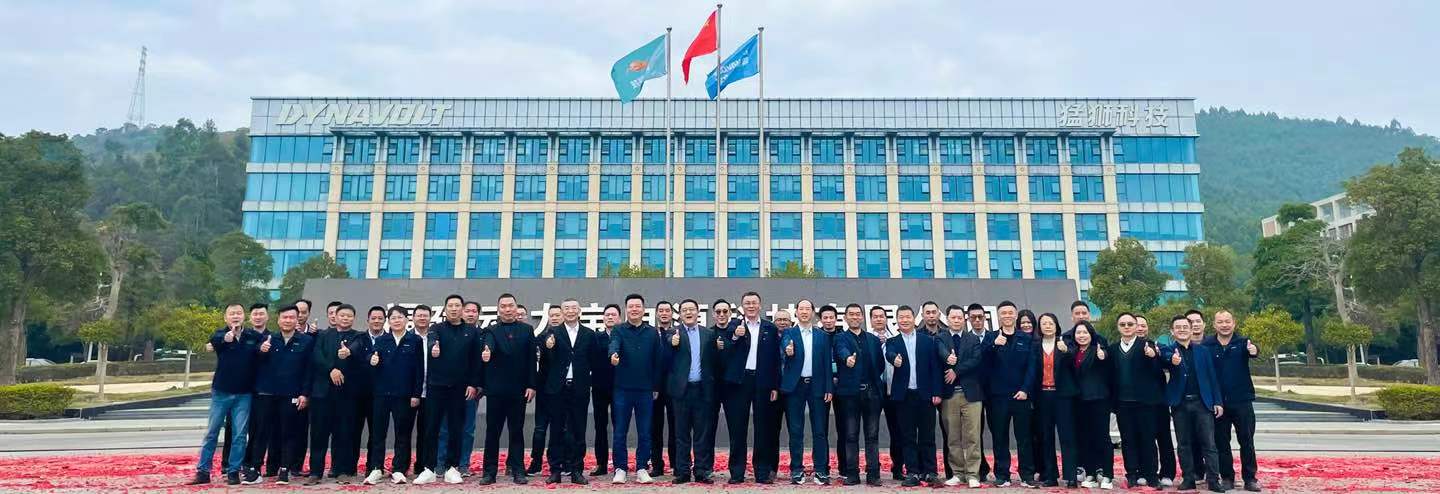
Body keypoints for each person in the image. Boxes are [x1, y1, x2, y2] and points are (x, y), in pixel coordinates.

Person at [189, 303, 260, 486]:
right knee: (212, 432)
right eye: (232, 314)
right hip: (221, 392)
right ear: (226, 317)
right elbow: (214, 343)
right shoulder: (220, 335)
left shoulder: (252, 336)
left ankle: (233, 471)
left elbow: (264, 349)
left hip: (244, 393)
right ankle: (203, 471)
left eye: (238, 313)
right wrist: (226, 338)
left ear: (244, 316)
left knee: (239, 435)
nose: (235, 316)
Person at [414, 295, 481, 485]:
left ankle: (452, 468)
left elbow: (475, 360)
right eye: (450, 305)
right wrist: (433, 347)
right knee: (432, 427)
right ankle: (429, 468)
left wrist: (472, 384)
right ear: (445, 309)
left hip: (460, 388)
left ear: (462, 309)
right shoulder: (436, 328)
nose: (453, 308)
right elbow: (432, 341)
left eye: (457, 305)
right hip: (436, 386)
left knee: (456, 428)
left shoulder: (471, 331)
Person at [305, 304, 370, 485]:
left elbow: (357, 349)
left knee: (344, 433)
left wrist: (348, 352)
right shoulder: (323, 335)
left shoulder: (359, 336)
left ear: (354, 318)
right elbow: (317, 356)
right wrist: (331, 370)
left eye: (349, 316)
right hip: (322, 393)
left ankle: (341, 470)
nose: (345, 318)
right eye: (342, 315)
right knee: (319, 433)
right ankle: (315, 472)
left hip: (346, 394)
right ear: (335, 316)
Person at [247, 304, 312, 485]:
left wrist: (305, 394)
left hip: (291, 394)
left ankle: (284, 469)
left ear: (297, 320)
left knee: (288, 432)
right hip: (266, 393)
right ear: (278, 320)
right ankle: (255, 470)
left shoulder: (306, 341)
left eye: (291, 317)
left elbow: (309, 370)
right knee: (261, 432)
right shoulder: (268, 339)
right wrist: (261, 351)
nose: (288, 320)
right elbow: (254, 362)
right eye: (284, 317)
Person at [535, 299, 598, 485]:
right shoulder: (552, 333)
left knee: (578, 430)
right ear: (562, 312)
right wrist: (548, 347)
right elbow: (545, 361)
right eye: (566, 308)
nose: (570, 311)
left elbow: (594, 361)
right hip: (557, 389)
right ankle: (555, 470)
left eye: (573, 308)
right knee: (556, 430)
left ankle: (576, 470)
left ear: (579, 311)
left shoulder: (589, 334)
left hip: (579, 389)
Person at [721, 292, 781, 484]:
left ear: (760, 305)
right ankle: (737, 472)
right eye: (747, 303)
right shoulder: (733, 325)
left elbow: (775, 359)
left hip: (763, 381)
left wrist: (775, 385)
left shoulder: (770, 328)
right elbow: (725, 351)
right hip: (739, 382)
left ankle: (762, 472)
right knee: (737, 428)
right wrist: (735, 337)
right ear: (742, 306)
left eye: (754, 303)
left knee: (763, 428)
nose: (751, 306)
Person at [1161, 316, 1226, 493]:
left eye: (1185, 327)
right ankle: (1188, 478)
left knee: (1209, 444)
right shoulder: (1168, 350)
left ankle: (1213, 480)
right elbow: (1163, 358)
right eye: (1178, 327)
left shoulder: (1203, 351)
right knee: (1183, 444)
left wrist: (1217, 401)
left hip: (1202, 403)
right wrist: (1171, 360)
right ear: (1172, 331)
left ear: (1191, 330)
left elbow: (1212, 377)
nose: (1182, 330)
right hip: (1180, 404)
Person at [477, 293, 537, 485]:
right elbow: (488, 345)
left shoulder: (527, 330)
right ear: (498, 309)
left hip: (518, 390)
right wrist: (487, 351)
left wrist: (532, 385)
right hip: (496, 390)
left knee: (516, 432)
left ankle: (518, 471)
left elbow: (531, 360)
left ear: (516, 307)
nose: (507, 309)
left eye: (510, 305)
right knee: (492, 432)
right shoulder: (490, 330)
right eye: (503, 306)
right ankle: (489, 472)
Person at [363, 306, 424, 485]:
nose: (396, 320)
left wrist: (416, 394)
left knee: (402, 434)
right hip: (381, 394)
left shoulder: (414, 340)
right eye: (393, 318)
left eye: (400, 317)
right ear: (388, 321)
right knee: (378, 433)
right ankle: (376, 468)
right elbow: (370, 358)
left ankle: (399, 469)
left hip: (404, 395)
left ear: (406, 319)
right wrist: (371, 360)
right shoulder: (382, 340)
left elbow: (419, 370)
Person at [608, 293, 665, 484]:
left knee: (645, 431)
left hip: (645, 390)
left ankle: (642, 467)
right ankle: (620, 468)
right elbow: (614, 344)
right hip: (622, 389)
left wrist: (656, 386)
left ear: (643, 309)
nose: (634, 309)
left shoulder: (652, 332)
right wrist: (613, 355)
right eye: (631, 306)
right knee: (620, 431)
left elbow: (657, 360)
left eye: (637, 306)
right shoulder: (618, 329)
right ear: (626, 309)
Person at [884, 305, 943, 487]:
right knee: (907, 436)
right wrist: (894, 359)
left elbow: (935, 368)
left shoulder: (927, 341)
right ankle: (913, 472)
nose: (904, 320)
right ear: (897, 320)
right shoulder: (893, 341)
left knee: (927, 435)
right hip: (904, 396)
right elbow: (889, 354)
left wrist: (937, 392)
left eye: (907, 317)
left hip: (925, 395)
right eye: (901, 317)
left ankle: (930, 471)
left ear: (914, 319)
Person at [665, 299, 721, 484]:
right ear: (680, 314)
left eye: (691, 309)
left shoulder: (708, 334)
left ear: (698, 312)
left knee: (702, 433)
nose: (688, 313)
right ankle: (682, 471)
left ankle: (701, 471)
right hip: (681, 391)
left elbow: (714, 362)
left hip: (702, 390)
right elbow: (665, 359)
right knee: (681, 433)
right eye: (684, 310)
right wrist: (671, 344)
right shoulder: (672, 333)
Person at [1204, 310, 1261, 492]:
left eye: (1227, 321)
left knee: (1247, 441)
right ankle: (1227, 477)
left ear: (1234, 323)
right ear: (1214, 324)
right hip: (1219, 403)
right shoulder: (1207, 345)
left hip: (1242, 400)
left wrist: (1254, 351)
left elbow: (1254, 351)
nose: (1224, 325)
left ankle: (1250, 478)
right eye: (1220, 322)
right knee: (1221, 442)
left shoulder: (1243, 342)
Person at [982, 300, 1037, 487]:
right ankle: (1002, 474)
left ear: (1015, 315)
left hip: (1021, 396)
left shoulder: (1026, 338)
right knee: (1000, 437)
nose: (1007, 316)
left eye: (1010, 312)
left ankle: (1027, 475)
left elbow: (1032, 367)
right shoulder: (990, 337)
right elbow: (983, 364)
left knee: (1024, 437)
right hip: (997, 397)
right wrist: (993, 346)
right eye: (1003, 313)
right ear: (998, 316)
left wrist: (1025, 389)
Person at [779, 299, 834, 485]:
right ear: (796, 312)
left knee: (820, 430)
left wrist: (829, 387)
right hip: (795, 387)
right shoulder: (789, 333)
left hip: (817, 386)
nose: (804, 312)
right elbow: (784, 346)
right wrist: (787, 350)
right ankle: (796, 469)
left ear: (812, 312)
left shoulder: (822, 336)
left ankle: (821, 470)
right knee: (796, 430)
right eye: (801, 309)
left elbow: (827, 363)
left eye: (807, 309)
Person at [1109, 312, 1165, 490]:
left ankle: (1151, 475)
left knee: (1148, 439)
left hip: (1145, 402)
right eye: (1123, 324)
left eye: (1130, 324)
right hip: (1123, 402)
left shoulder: (1147, 346)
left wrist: (1153, 357)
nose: (1126, 327)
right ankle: (1132, 474)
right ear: (1118, 327)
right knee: (1128, 439)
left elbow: (1157, 373)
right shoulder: (1113, 349)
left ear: (1136, 326)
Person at [834, 303, 885, 486]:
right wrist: (847, 358)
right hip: (850, 395)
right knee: (850, 435)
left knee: (872, 435)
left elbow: (880, 365)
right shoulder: (840, 338)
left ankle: (873, 474)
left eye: (858, 314)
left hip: (872, 393)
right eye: (851, 314)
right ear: (845, 317)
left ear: (862, 318)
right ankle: (852, 473)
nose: (855, 317)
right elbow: (841, 351)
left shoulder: (873, 339)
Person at [939, 304, 985, 488]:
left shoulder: (972, 338)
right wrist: (947, 358)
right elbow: (941, 351)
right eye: (953, 317)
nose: (956, 321)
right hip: (949, 395)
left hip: (971, 395)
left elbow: (976, 360)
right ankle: (957, 473)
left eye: (959, 318)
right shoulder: (941, 337)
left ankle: (973, 474)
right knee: (953, 437)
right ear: (947, 319)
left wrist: (956, 371)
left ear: (964, 319)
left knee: (973, 436)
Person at [436, 301, 485, 476]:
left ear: (479, 314)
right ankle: (441, 463)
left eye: (474, 311)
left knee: (467, 429)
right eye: (467, 311)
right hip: (447, 388)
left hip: (470, 389)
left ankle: (463, 464)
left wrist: (477, 385)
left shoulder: (481, 334)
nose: (470, 314)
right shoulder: (443, 331)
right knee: (444, 427)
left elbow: (479, 363)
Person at [1031, 312, 1077, 488]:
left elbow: (1075, 363)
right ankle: (1050, 475)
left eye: (1051, 323)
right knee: (1046, 437)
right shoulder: (1035, 346)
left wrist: (1066, 352)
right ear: (1040, 327)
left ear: (1056, 325)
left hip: (1062, 396)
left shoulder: (1066, 343)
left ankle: (1071, 476)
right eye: (1044, 323)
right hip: (1043, 395)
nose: (1048, 326)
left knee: (1067, 436)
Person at [1069, 322, 1114, 489]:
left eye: (1085, 332)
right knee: (1085, 438)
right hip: (1080, 401)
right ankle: (1090, 474)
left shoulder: (1098, 350)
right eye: (1078, 333)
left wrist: (1103, 357)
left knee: (1102, 437)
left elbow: (1107, 365)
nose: (1081, 336)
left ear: (1091, 334)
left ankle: (1107, 475)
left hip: (1098, 399)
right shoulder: (1073, 352)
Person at [1137, 314, 1178, 486]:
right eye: (1137, 325)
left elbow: (1169, 362)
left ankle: (1167, 473)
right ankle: (1146, 471)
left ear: (1147, 328)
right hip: (1137, 401)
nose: (1140, 328)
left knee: (1164, 438)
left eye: (1143, 325)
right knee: (1143, 438)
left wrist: (1159, 355)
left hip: (1159, 401)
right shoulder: (1125, 348)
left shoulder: (1158, 346)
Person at [527, 305, 564, 475]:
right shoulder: (540, 338)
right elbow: (535, 362)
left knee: (561, 428)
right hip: (543, 389)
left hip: (562, 390)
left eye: (557, 315)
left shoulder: (568, 338)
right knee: (540, 429)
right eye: (552, 315)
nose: (554, 318)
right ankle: (536, 462)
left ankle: (560, 462)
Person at [236, 304, 271, 484]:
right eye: (255, 314)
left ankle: (254, 465)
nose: (258, 317)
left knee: (259, 430)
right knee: (239, 429)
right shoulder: (244, 336)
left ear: (268, 316)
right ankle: (233, 464)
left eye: (261, 313)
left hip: (263, 391)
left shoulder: (273, 337)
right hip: (243, 389)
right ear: (250, 317)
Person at [869, 305, 904, 481]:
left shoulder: (896, 339)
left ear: (886, 318)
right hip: (873, 391)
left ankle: (897, 467)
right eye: (875, 316)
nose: (878, 319)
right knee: (871, 431)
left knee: (897, 431)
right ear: (870, 320)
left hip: (892, 390)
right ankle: (873, 469)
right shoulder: (866, 339)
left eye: (881, 316)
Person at [647, 300, 679, 477]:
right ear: (657, 313)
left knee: (676, 426)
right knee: (655, 428)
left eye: (667, 310)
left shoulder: (679, 332)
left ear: (672, 313)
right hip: (654, 387)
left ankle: (676, 463)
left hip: (674, 386)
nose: (664, 313)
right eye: (661, 310)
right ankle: (657, 465)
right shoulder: (650, 333)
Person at [589, 304, 621, 477]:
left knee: (619, 426)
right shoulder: (595, 337)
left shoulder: (624, 336)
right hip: (599, 387)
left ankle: (619, 464)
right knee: (600, 426)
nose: (610, 317)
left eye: (613, 315)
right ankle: (601, 464)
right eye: (607, 314)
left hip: (620, 387)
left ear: (619, 318)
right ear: (603, 318)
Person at [408, 305, 435, 477]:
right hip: (410, 391)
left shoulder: (435, 336)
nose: (422, 318)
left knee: (426, 431)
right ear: (413, 318)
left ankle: (422, 465)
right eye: (419, 315)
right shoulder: (408, 337)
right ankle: (402, 466)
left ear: (430, 317)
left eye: (425, 315)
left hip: (431, 391)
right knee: (405, 430)